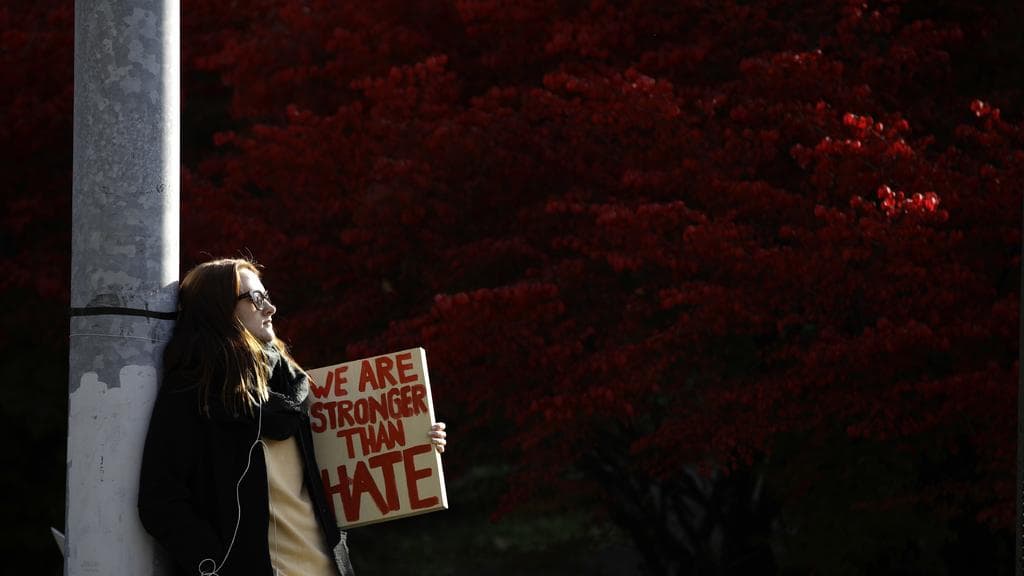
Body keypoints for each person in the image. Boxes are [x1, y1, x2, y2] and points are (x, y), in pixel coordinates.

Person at [138, 258, 447, 576]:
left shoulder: (296, 387)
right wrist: (214, 565)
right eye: (256, 299)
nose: (270, 308)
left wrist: (416, 438)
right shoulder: (193, 393)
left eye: (267, 296)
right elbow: (160, 500)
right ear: (218, 310)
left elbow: (357, 464)